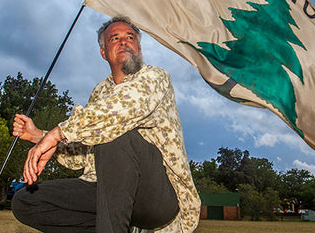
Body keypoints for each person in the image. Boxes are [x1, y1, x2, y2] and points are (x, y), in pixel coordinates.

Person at [11, 16, 201, 233]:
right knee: (26, 201)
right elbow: (83, 156)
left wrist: (56, 134)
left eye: (130, 37)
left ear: (138, 47)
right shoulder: (100, 92)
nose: (124, 42)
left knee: (114, 132)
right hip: (106, 191)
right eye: (114, 38)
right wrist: (38, 136)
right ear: (103, 52)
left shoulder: (155, 77)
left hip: (156, 198)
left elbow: (120, 112)